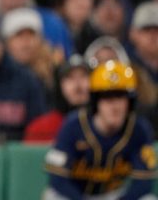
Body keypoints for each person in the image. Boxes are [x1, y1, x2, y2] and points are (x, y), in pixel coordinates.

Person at [43, 61, 156, 200]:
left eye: (120, 97)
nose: (114, 106)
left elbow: (143, 183)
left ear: (130, 102)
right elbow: (58, 180)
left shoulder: (139, 129)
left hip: (115, 196)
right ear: (96, 102)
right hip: (77, 196)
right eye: (107, 97)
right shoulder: (73, 125)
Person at [24, 54, 90, 143]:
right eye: (70, 77)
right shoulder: (40, 129)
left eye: (83, 76)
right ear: (59, 85)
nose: (78, 84)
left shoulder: (105, 128)